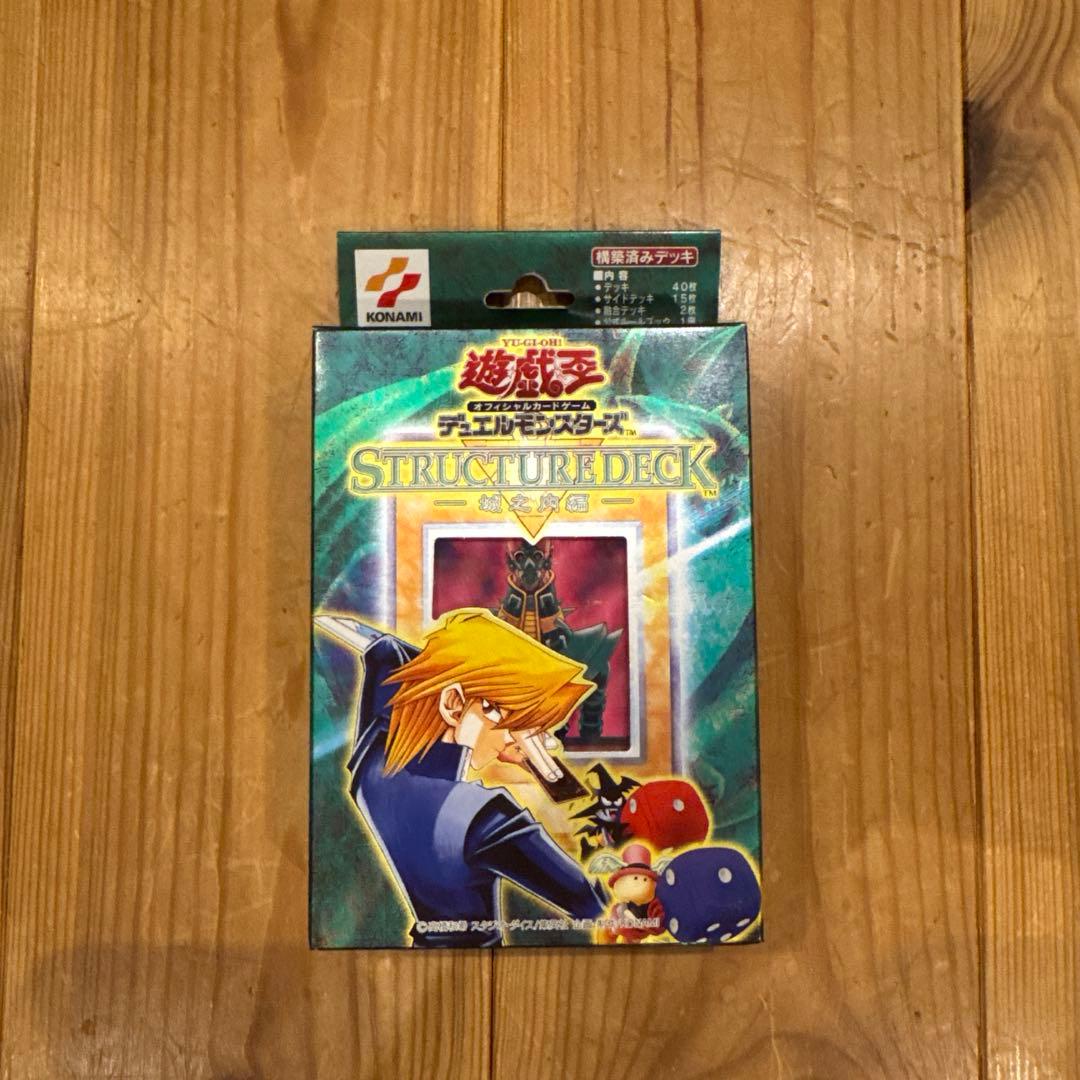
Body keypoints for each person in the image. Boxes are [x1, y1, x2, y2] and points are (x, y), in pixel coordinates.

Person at [332, 607, 607, 946]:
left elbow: (387, 660)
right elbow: (593, 906)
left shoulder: (372, 770)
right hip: (479, 959)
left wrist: (497, 722)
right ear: (452, 702)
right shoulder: (481, 816)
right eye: (513, 720)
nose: (518, 736)